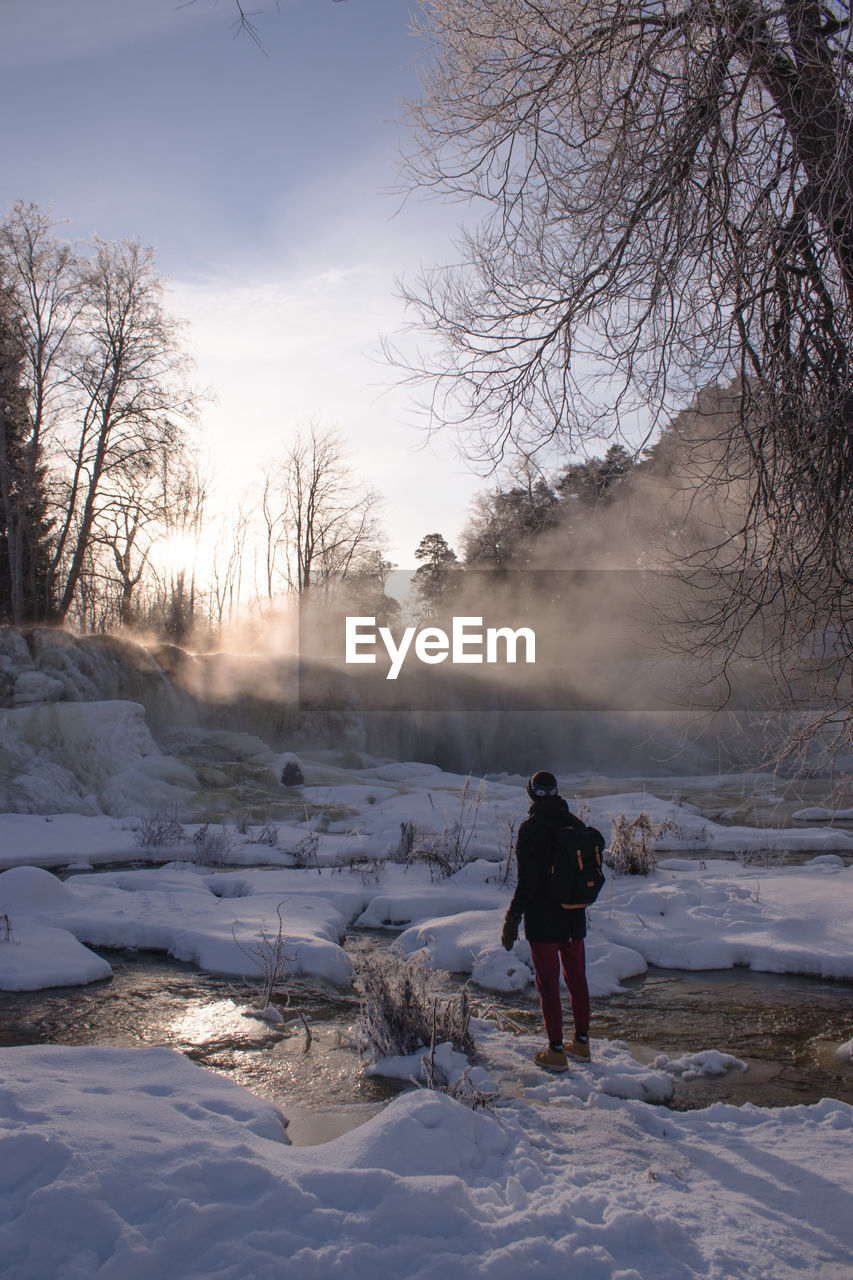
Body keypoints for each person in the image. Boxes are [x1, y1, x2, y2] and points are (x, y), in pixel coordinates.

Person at [501, 770, 602, 1073]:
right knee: (576, 979)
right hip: (574, 915)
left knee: (548, 985)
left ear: (531, 794)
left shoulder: (530, 829)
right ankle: (581, 1043)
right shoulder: (574, 823)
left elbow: (527, 882)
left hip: (544, 920)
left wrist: (512, 917)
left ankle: (556, 1051)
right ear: (556, 793)